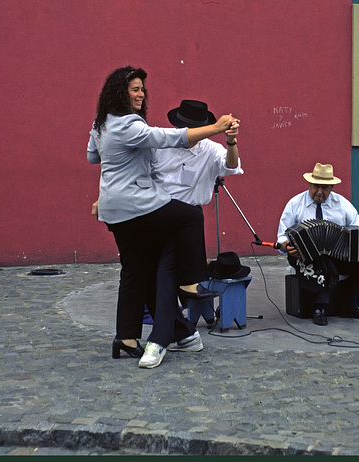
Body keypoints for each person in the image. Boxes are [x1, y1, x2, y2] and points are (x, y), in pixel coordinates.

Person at [87, 66, 235, 368]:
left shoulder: (101, 124)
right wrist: (218, 127)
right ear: (120, 92)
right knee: (190, 217)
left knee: (135, 270)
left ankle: (128, 338)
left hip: (115, 209)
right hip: (136, 205)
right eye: (134, 89)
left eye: (142, 89)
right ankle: (191, 282)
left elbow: (94, 156)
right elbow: (171, 138)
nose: (141, 94)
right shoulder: (129, 125)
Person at [151, 99, 244, 327]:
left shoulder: (211, 150)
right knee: (163, 267)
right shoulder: (160, 142)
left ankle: (192, 306)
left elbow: (231, 166)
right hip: (159, 211)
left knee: (179, 264)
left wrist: (231, 142)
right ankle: (172, 309)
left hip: (189, 216)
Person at [276, 163, 359, 326]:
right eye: (316, 187)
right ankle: (318, 308)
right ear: (309, 184)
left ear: (332, 187)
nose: (320, 192)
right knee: (322, 261)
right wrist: (285, 246)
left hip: (338, 256)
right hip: (304, 257)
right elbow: (282, 235)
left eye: (325, 188)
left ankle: (352, 303)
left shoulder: (341, 203)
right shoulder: (295, 204)